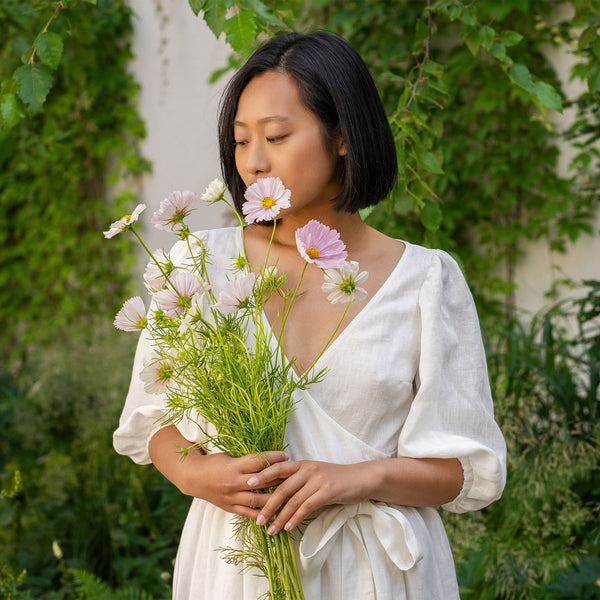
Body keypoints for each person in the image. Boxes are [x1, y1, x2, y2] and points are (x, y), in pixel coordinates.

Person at [114, 31, 507, 599]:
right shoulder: (198, 264)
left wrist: (358, 477)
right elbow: (153, 421)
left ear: (343, 137)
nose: (253, 160)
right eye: (240, 139)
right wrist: (198, 475)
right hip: (235, 568)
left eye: (276, 136)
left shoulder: (425, 280)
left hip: (379, 574)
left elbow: (466, 468)